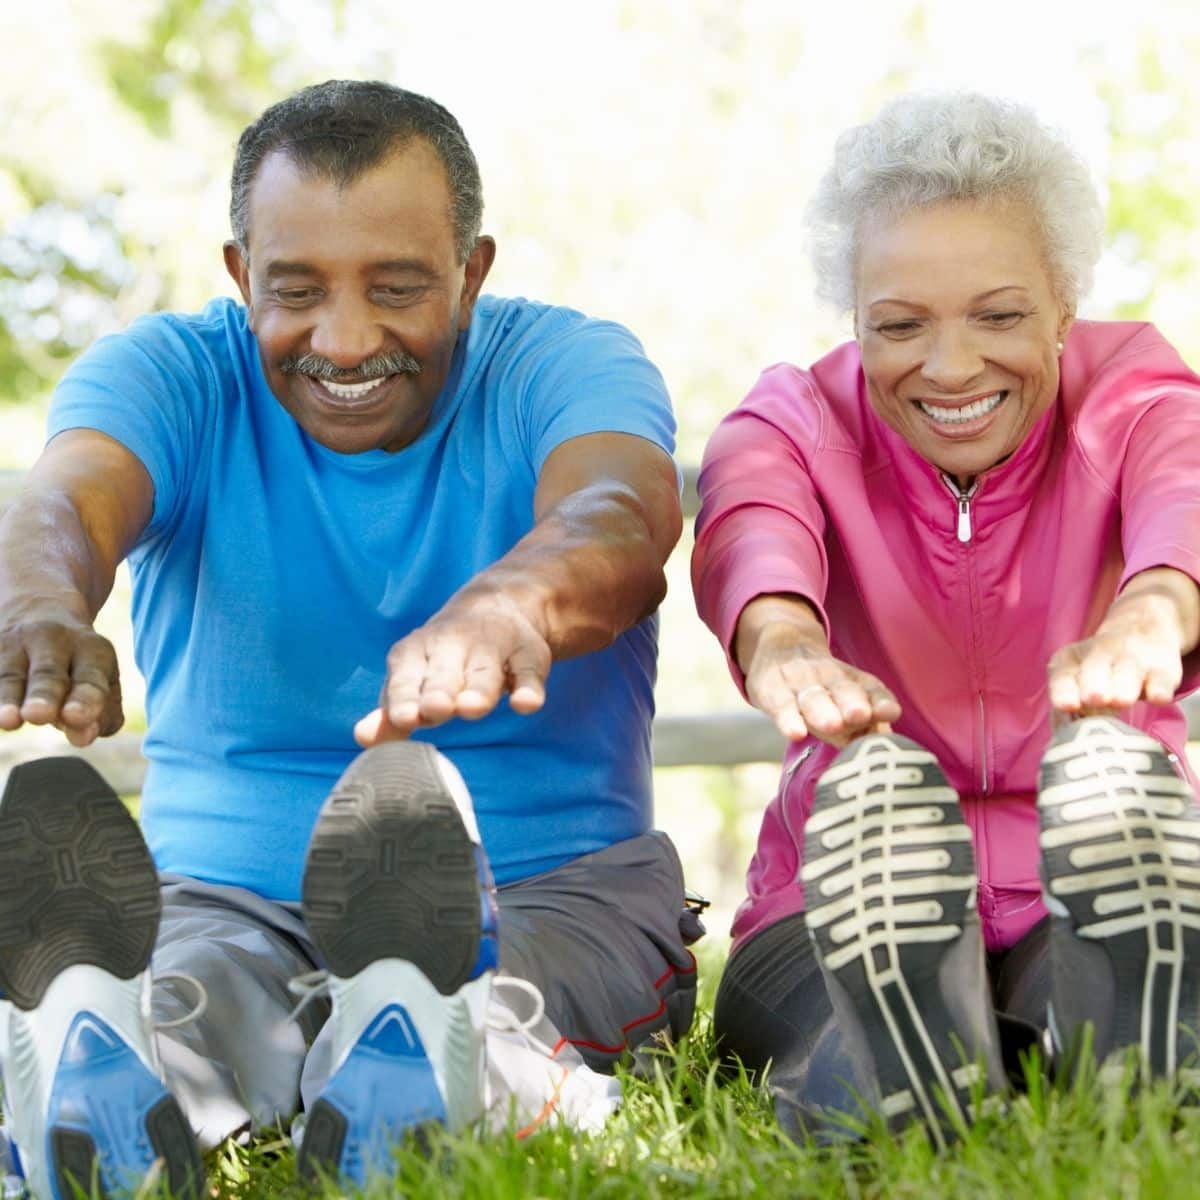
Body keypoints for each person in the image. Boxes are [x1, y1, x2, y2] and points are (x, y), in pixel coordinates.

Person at [0, 79, 697, 1198]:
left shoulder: (566, 365)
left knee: (497, 995)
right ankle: (115, 1062)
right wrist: (38, 606)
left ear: (471, 272)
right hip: (225, 897)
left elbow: (619, 518)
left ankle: (436, 1039)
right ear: (240, 277)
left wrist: (510, 602)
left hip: (543, 885)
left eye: (397, 287)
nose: (345, 337)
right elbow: (65, 505)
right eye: (297, 290)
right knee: (200, 994)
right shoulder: (171, 375)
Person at [692, 91, 1200, 1146]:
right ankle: (930, 1056)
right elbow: (750, 515)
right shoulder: (798, 418)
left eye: (1001, 315)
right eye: (902, 325)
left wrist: (1154, 605)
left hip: (1086, 879)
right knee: (828, 1043)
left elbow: (1185, 481)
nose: (953, 365)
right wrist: (782, 634)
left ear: (1066, 306)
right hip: (833, 898)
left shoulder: (1133, 394)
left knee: (1105, 987)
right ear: (856, 320)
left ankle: (1079, 1039)